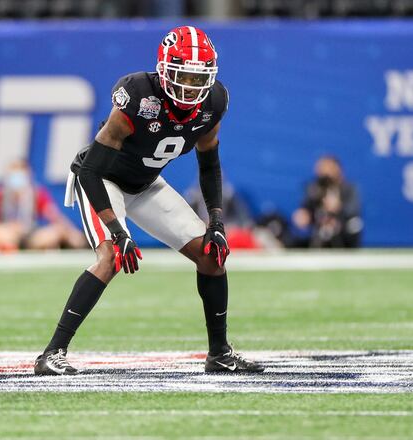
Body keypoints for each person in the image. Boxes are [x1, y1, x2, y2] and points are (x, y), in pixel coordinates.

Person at [34, 26, 264, 375]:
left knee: (211, 256)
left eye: (197, 77)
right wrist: (117, 229)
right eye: (183, 74)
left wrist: (216, 222)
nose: (190, 85)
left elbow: (210, 163)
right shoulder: (138, 96)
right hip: (101, 180)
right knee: (110, 256)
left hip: (145, 184)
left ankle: (219, 354)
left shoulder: (214, 102)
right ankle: (52, 353)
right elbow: (92, 170)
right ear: (165, 70)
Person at [0, 160, 86, 251]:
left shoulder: (36, 194)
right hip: (6, 232)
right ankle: (6, 245)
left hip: (31, 235)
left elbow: (55, 216)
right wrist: (3, 229)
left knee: (54, 233)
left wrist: (72, 233)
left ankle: (25, 246)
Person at [292, 155, 363, 248]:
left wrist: (338, 208)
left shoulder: (349, 188)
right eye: (321, 168)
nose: (325, 172)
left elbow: (353, 210)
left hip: (343, 230)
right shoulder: (314, 188)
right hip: (319, 229)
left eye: (328, 168)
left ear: (338, 169)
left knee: (354, 224)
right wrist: (304, 215)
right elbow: (306, 208)